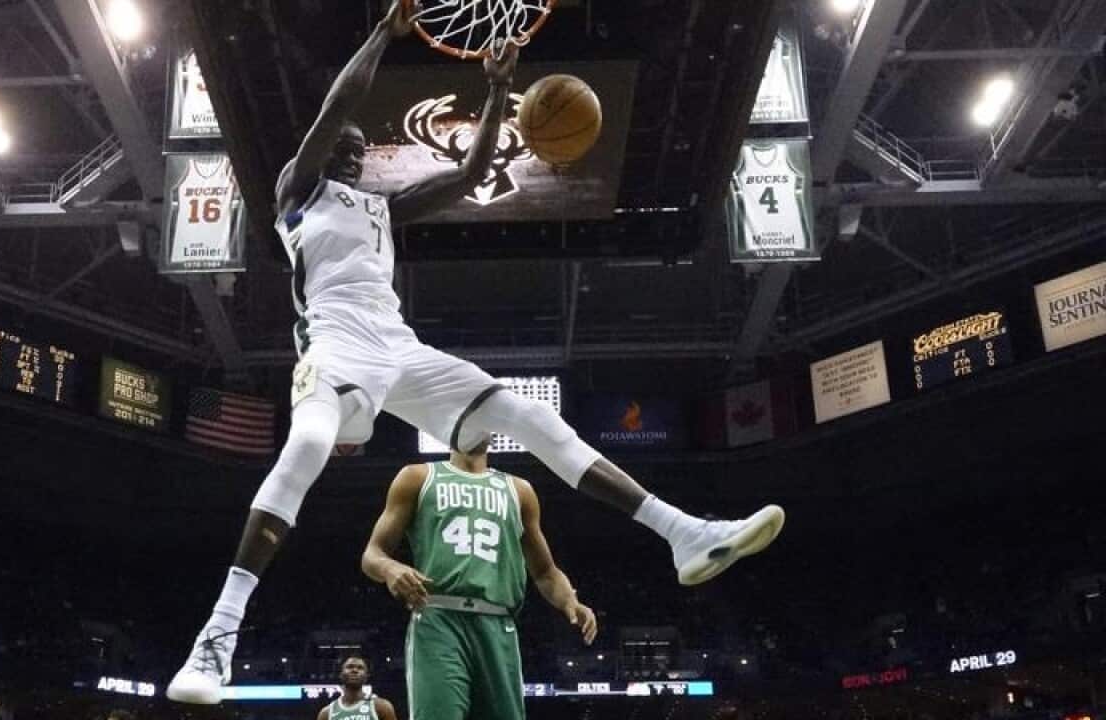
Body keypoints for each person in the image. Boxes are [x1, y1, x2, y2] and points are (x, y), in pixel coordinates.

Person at [166, 1, 784, 704]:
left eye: (360, 144)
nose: (355, 145)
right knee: (305, 444)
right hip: (335, 352)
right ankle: (214, 642)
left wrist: (496, 90)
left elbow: (469, 176)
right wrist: (382, 33)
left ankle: (682, 533)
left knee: (531, 418)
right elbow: (340, 102)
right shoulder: (297, 193)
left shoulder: (381, 211)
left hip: (398, 349)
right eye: (345, 138)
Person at [362, 443, 598, 720]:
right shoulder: (418, 477)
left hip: (498, 624)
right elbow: (372, 554)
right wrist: (390, 568)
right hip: (439, 618)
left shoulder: (519, 490)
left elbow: (546, 572)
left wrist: (570, 599)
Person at [316, 657, 396, 720]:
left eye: (360, 668)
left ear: (366, 677)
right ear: (341, 674)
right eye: (350, 667)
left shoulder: (381, 706)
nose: (355, 670)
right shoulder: (326, 713)